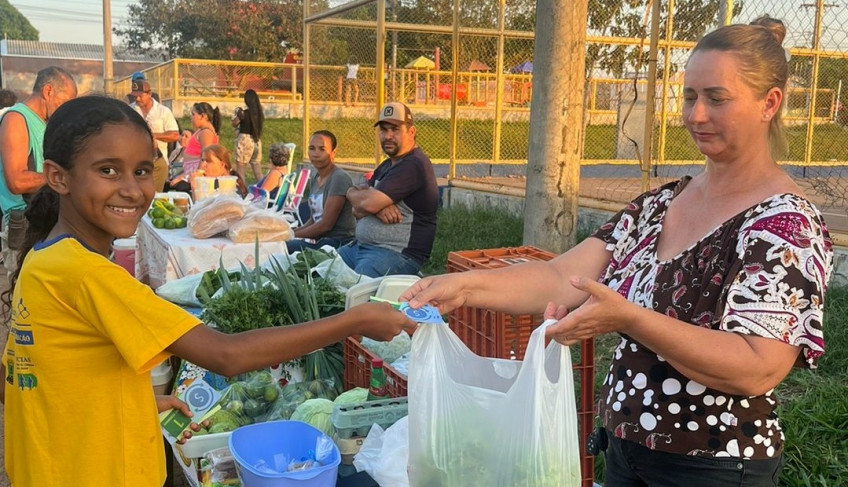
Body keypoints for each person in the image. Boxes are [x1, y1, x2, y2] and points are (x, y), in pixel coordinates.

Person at [401, 18, 833, 487]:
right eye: (689, 96)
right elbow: (561, 276)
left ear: (769, 103)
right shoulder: (658, 205)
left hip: (716, 464)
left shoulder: (785, 224)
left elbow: (757, 365)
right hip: (627, 449)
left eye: (717, 98)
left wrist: (629, 318)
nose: (695, 115)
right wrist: (465, 287)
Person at [0, 95, 414, 487]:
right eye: (108, 170)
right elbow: (226, 355)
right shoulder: (88, 274)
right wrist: (351, 321)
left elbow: (23, 383)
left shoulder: (43, 260)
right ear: (58, 177)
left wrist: (126, 403)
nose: (132, 189)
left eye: (142, 171)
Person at [340, 102, 439, 277]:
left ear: (411, 132)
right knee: (316, 272)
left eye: (395, 129)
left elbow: (365, 204)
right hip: (361, 248)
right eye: (384, 130)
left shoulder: (413, 164)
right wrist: (373, 205)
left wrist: (369, 204)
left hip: (395, 254)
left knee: (353, 288)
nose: (388, 136)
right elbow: (357, 209)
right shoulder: (387, 165)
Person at [0, 66, 77, 268]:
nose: (65, 110)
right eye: (65, 102)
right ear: (48, 91)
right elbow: (16, 181)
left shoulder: (43, 122)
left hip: (42, 222)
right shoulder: (16, 119)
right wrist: (66, 177)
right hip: (24, 225)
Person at [287, 130, 355, 253]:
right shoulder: (315, 177)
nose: (315, 154)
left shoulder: (339, 178)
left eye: (322, 149)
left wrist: (291, 236)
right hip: (320, 240)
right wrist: (290, 232)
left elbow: (326, 225)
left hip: (337, 243)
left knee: (283, 247)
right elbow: (314, 219)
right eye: (312, 148)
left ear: (333, 153)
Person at [130, 79, 179, 192]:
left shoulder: (163, 111)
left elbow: (175, 135)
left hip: (157, 162)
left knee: (154, 195)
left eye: (140, 96)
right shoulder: (130, 109)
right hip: (135, 162)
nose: (137, 99)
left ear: (149, 94)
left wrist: (152, 135)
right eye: (135, 96)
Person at [166, 102, 220, 189]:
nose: (191, 117)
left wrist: (183, 177)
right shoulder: (202, 131)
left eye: (193, 114)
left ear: (203, 116)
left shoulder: (206, 133)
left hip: (195, 175)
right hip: (190, 172)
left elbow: (205, 158)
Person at [231, 89, 265, 181]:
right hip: (256, 141)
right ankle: (264, 187)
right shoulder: (259, 115)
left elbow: (234, 123)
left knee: (241, 171)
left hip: (244, 140)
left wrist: (238, 115)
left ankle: (243, 189)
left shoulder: (244, 113)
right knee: (258, 171)